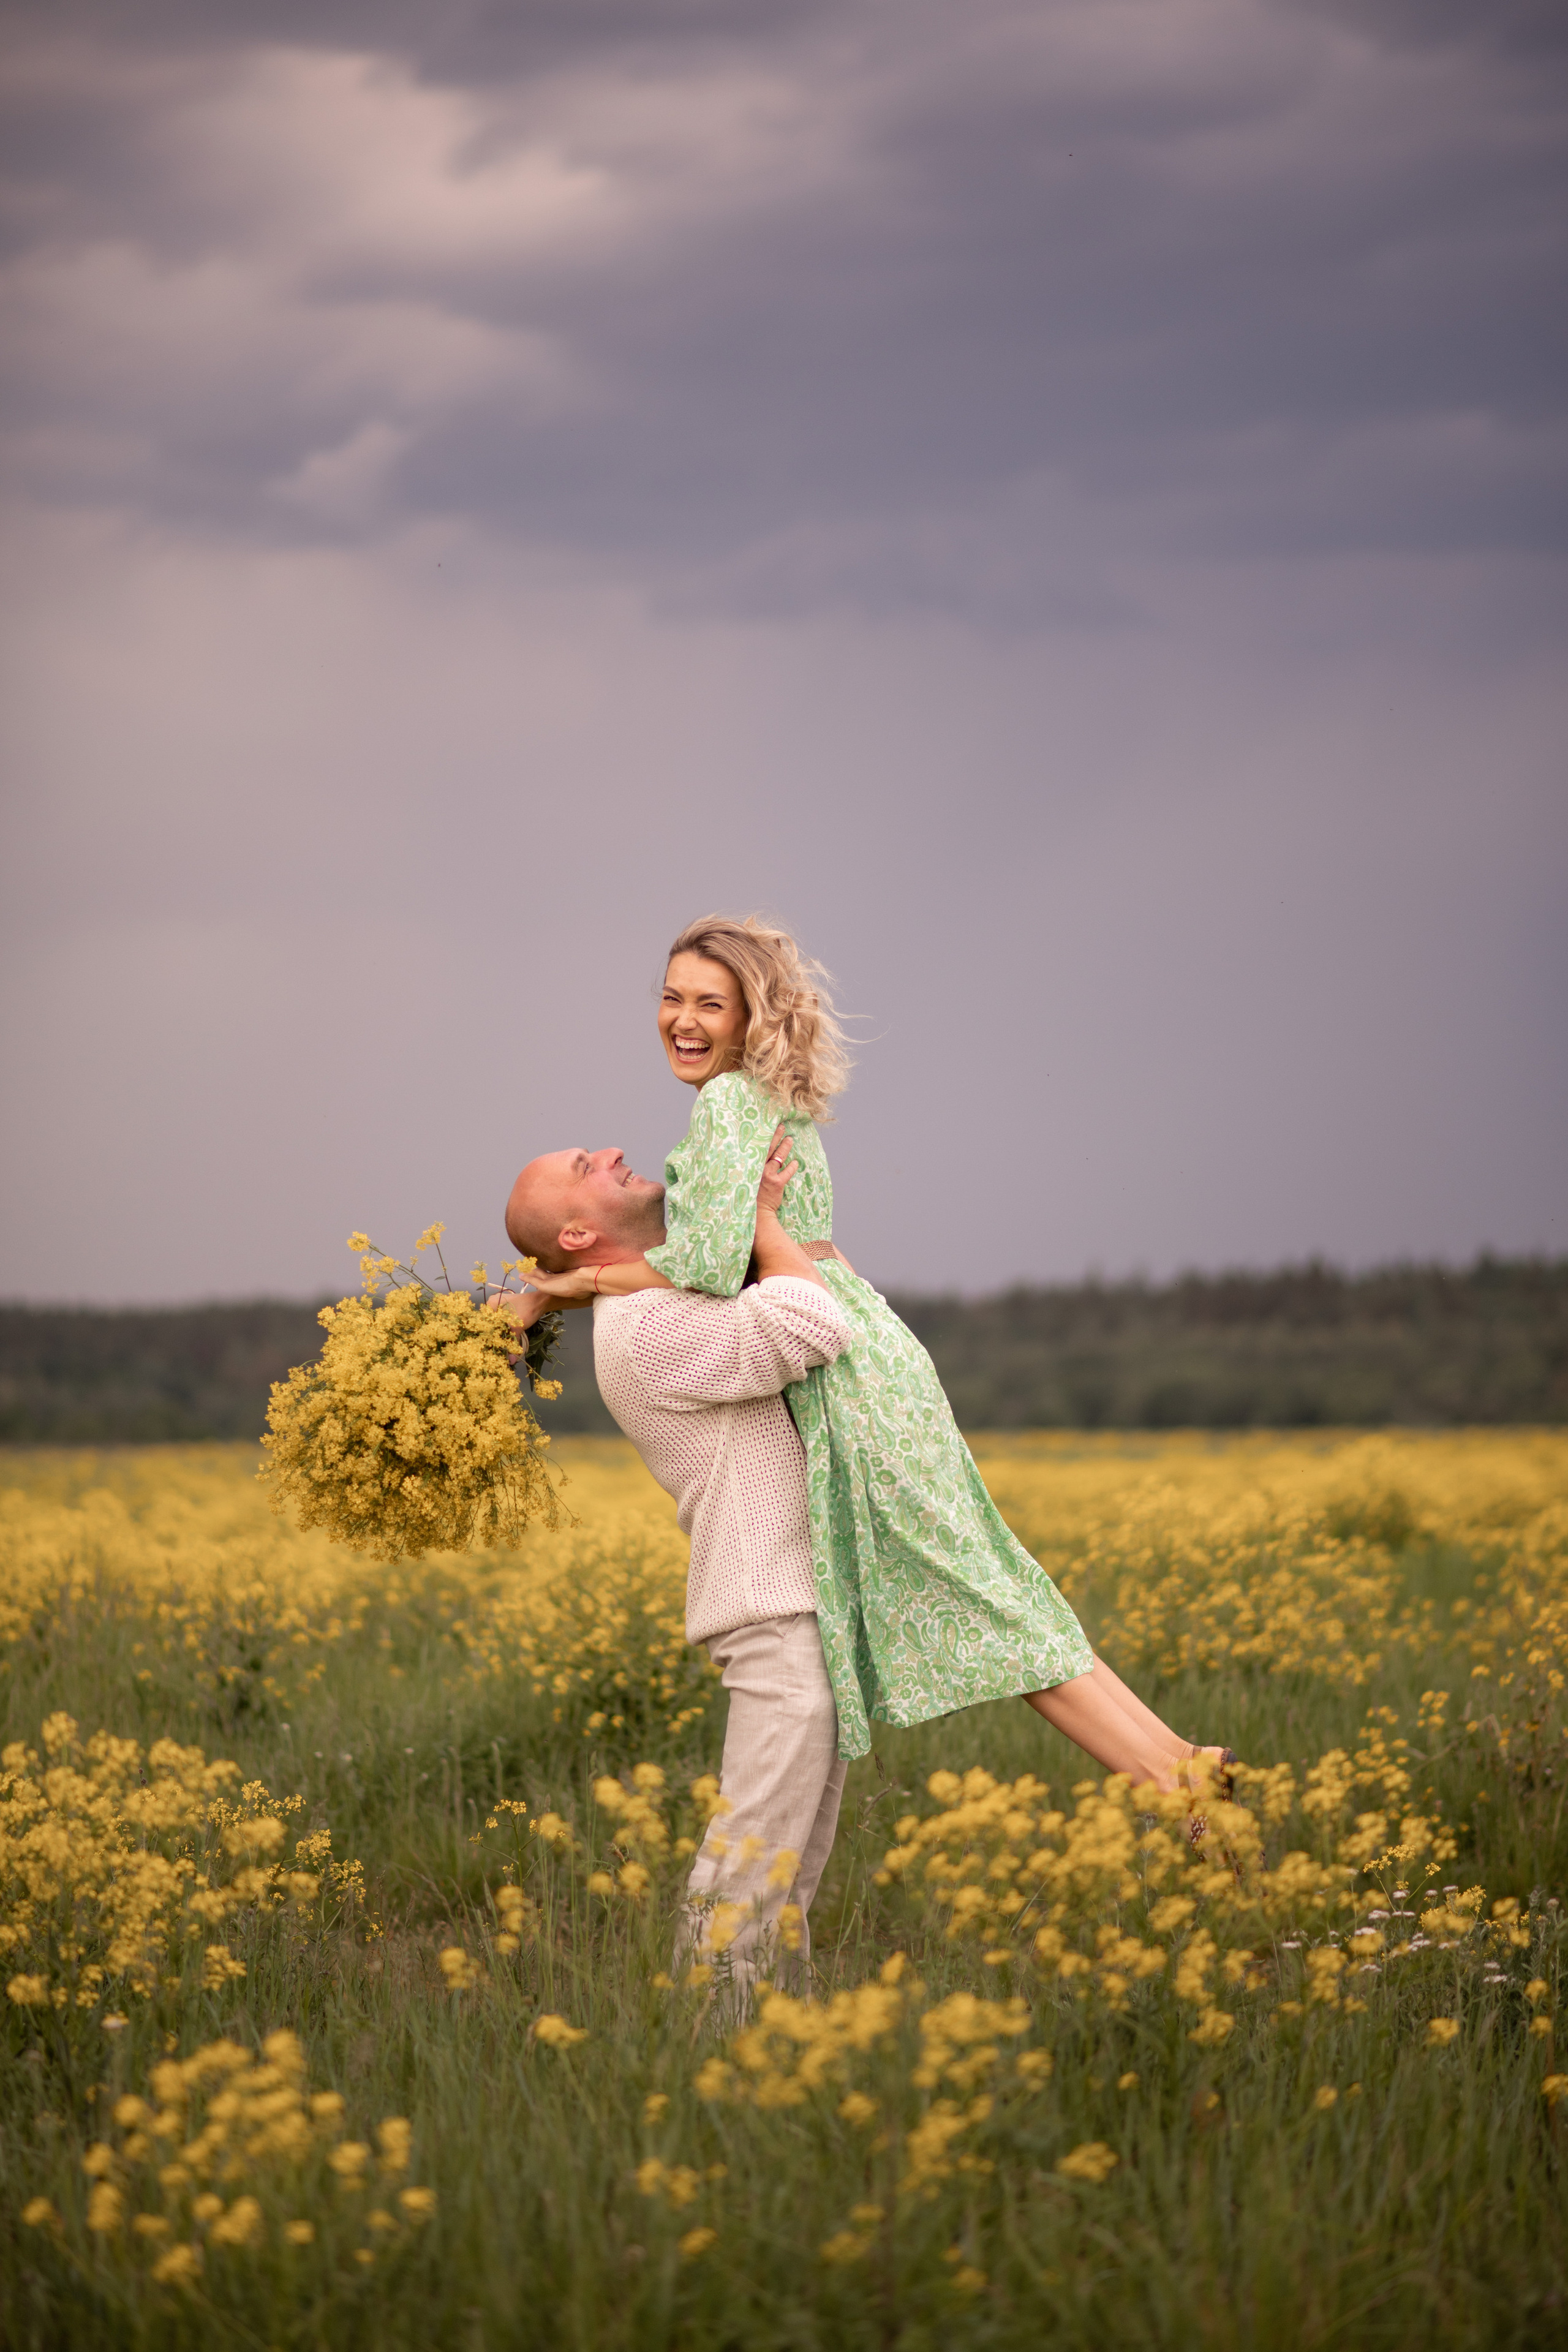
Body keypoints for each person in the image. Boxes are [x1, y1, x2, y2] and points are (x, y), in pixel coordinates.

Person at [507, 913, 1233, 1812]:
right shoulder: (748, 1100)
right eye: (670, 998)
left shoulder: (727, 1105)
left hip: (844, 1365)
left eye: (710, 1003)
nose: (683, 1020)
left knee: (980, 1594)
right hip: (870, 1346)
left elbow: (701, 1261)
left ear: (747, 1019)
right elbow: (722, 1250)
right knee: (989, 1578)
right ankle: (1177, 1762)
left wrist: (570, 1291)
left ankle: (1172, 1781)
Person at [501, 1134, 853, 1994]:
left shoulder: (657, 1296)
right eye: (586, 1167)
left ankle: (773, 2055)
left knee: (785, 1880)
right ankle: (711, 2052)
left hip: (795, 1605)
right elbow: (817, 1319)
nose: (612, 1151)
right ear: (579, 1235)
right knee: (750, 1871)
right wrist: (767, 1217)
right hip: (771, 1615)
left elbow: (809, 1271)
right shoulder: (647, 1327)